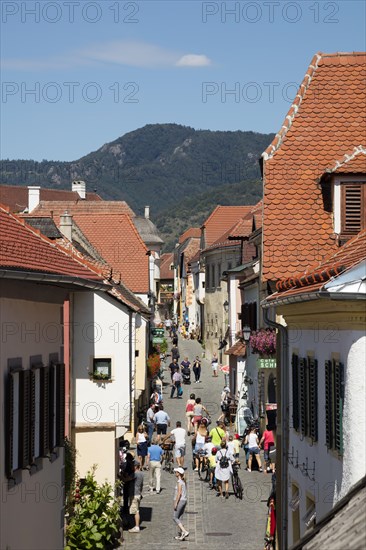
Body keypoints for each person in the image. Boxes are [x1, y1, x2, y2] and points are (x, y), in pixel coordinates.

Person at [173, 467, 189, 541]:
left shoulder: (179, 482)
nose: (175, 473)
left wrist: (176, 503)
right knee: (180, 518)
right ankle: (181, 534)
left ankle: (184, 531)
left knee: (175, 517)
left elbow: (179, 493)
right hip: (184, 501)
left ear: (178, 473)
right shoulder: (183, 481)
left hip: (180, 501)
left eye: (176, 472)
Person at [128, 461, 144, 533]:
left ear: (135, 466)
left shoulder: (135, 474)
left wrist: (120, 477)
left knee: (136, 511)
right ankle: (136, 525)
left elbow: (127, 479)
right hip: (138, 493)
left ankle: (137, 526)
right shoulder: (141, 474)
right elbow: (141, 485)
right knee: (137, 510)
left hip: (134, 494)